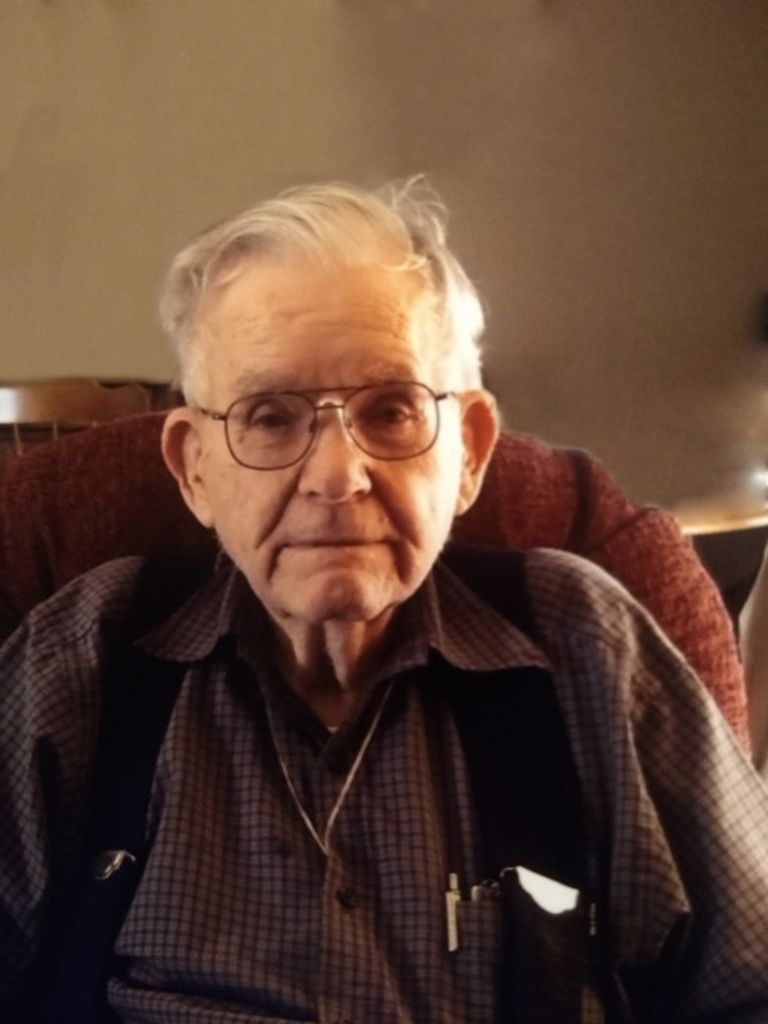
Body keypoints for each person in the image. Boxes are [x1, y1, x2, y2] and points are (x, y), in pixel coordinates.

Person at [1, 180, 767, 1024]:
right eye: (269, 417)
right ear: (194, 470)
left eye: (392, 410)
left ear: (469, 451)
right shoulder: (85, 657)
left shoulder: (586, 645)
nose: (337, 477)